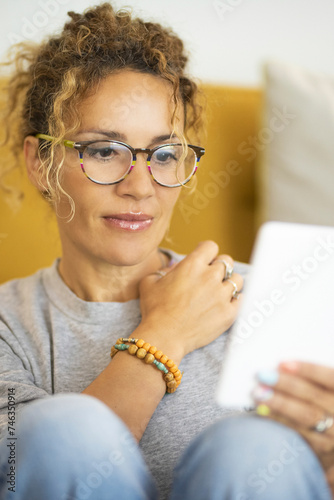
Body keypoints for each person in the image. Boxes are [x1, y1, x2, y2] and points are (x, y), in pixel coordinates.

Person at [0, 3, 332, 499]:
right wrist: (164, 334)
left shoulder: (270, 293)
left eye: (163, 154)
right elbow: (24, 472)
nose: (140, 187)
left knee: (252, 450)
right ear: (40, 162)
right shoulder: (8, 326)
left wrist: (326, 455)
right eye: (103, 150)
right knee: (59, 429)